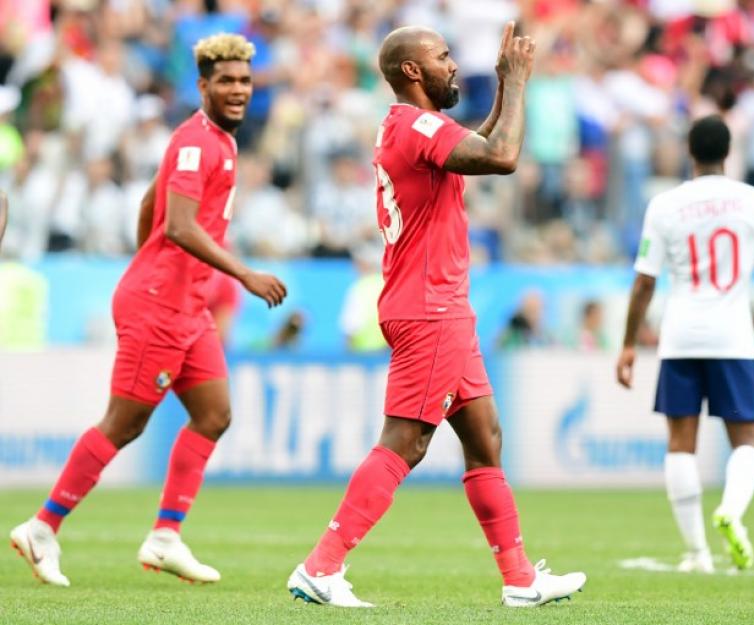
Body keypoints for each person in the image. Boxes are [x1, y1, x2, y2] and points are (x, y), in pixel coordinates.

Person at [286, 22, 586, 608]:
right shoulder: (418, 124)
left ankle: (520, 579)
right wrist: (521, 84)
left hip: (437, 303)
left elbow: (473, 143)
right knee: (406, 441)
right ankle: (321, 567)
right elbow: (500, 156)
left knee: (485, 439)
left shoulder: (410, 126)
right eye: (443, 56)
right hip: (430, 307)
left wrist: (502, 88)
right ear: (413, 72)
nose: (454, 65)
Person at [10, 33, 287, 588]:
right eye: (226, 81)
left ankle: (165, 536)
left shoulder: (222, 142)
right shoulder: (195, 143)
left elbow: (148, 205)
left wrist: (152, 261)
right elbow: (179, 226)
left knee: (214, 414)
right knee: (126, 422)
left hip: (186, 304)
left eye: (244, 81)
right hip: (161, 305)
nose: (238, 90)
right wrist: (241, 272)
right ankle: (42, 527)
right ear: (202, 85)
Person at [616, 115, 754, 574]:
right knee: (748, 439)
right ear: (728, 152)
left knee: (680, 443)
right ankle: (732, 509)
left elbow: (643, 283)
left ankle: (696, 553)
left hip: (680, 336)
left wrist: (629, 345)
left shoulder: (666, 204)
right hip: (734, 335)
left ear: (689, 153)